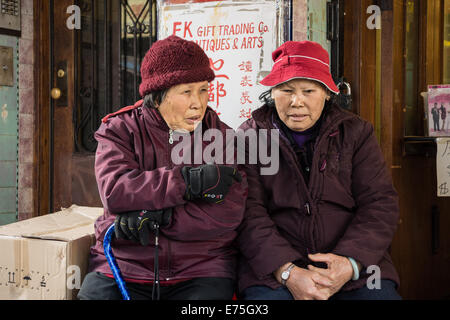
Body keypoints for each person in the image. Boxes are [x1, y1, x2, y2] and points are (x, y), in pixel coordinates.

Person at [78, 35, 248, 300]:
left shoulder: (221, 137)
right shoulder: (119, 130)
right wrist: (187, 181)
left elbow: (227, 214)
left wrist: (158, 217)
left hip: (201, 267)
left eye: (203, 90)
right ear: (156, 97)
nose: (198, 103)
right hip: (124, 263)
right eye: (186, 92)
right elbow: (116, 191)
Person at [236, 41, 401, 300]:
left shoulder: (356, 133)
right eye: (286, 90)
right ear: (272, 93)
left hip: (355, 266)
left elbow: (379, 204)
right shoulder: (250, 138)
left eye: (309, 90)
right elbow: (248, 213)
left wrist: (349, 263)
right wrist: (288, 271)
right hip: (274, 269)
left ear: (327, 93)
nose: (297, 101)